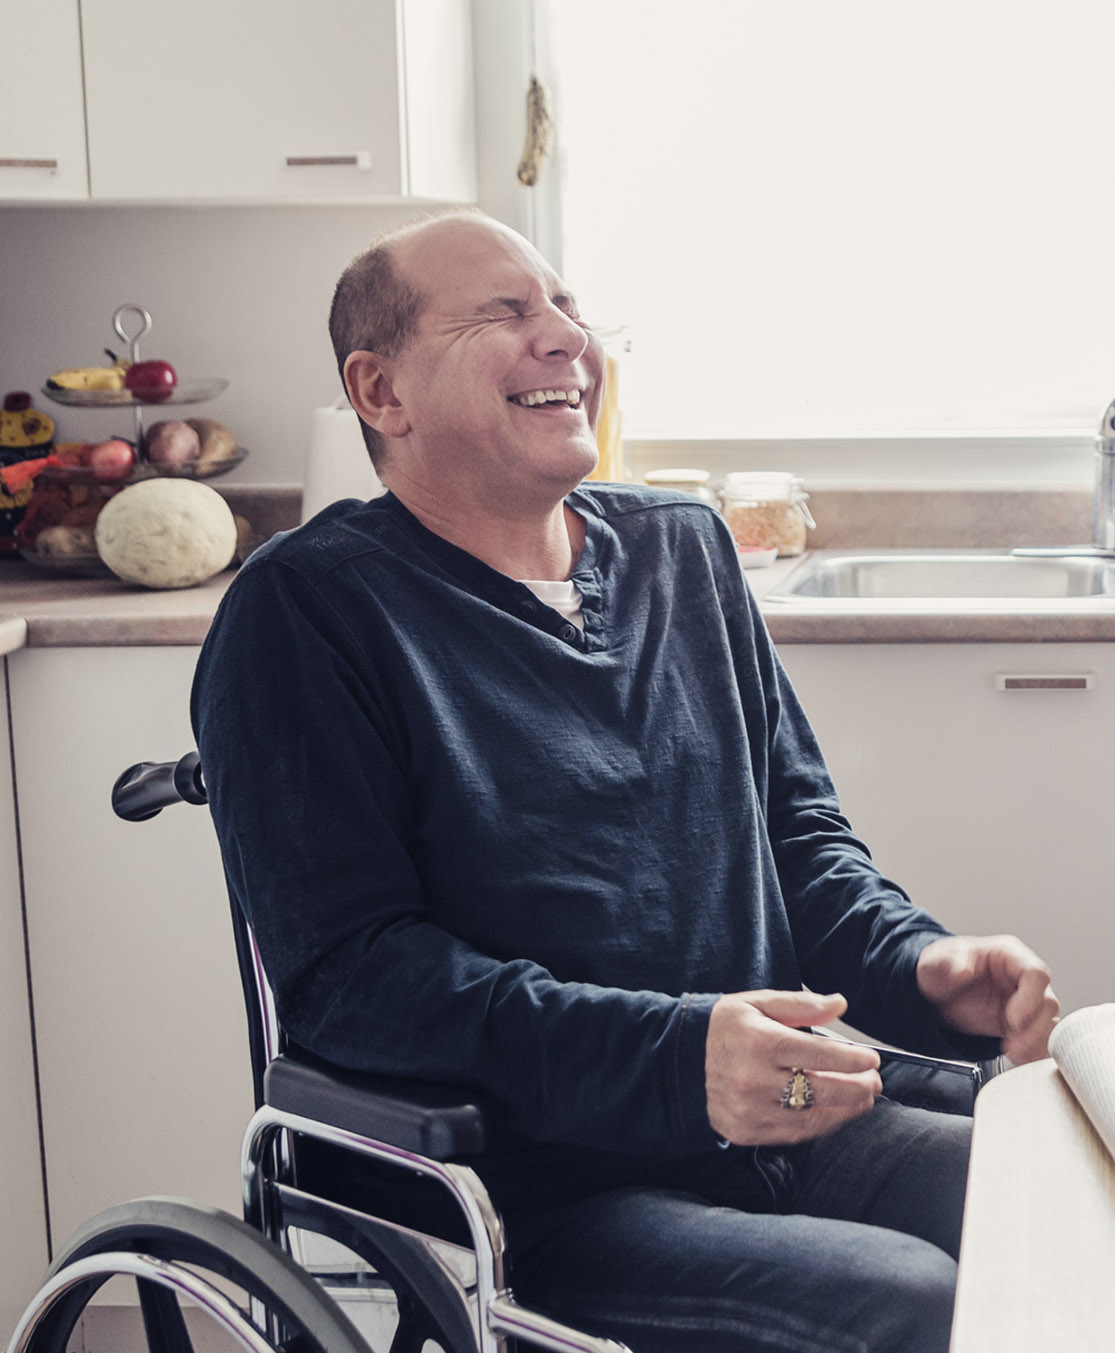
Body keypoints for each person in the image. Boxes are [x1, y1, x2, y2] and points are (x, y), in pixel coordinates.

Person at [192, 208, 1058, 1353]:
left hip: (790, 1119)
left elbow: (795, 843)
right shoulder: (306, 614)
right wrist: (676, 1060)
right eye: (505, 313)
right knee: (913, 1304)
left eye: (567, 309)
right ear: (381, 392)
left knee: (1060, 1202)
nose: (564, 339)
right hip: (534, 1193)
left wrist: (919, 966)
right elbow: (356, 979)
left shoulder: (680, 552)